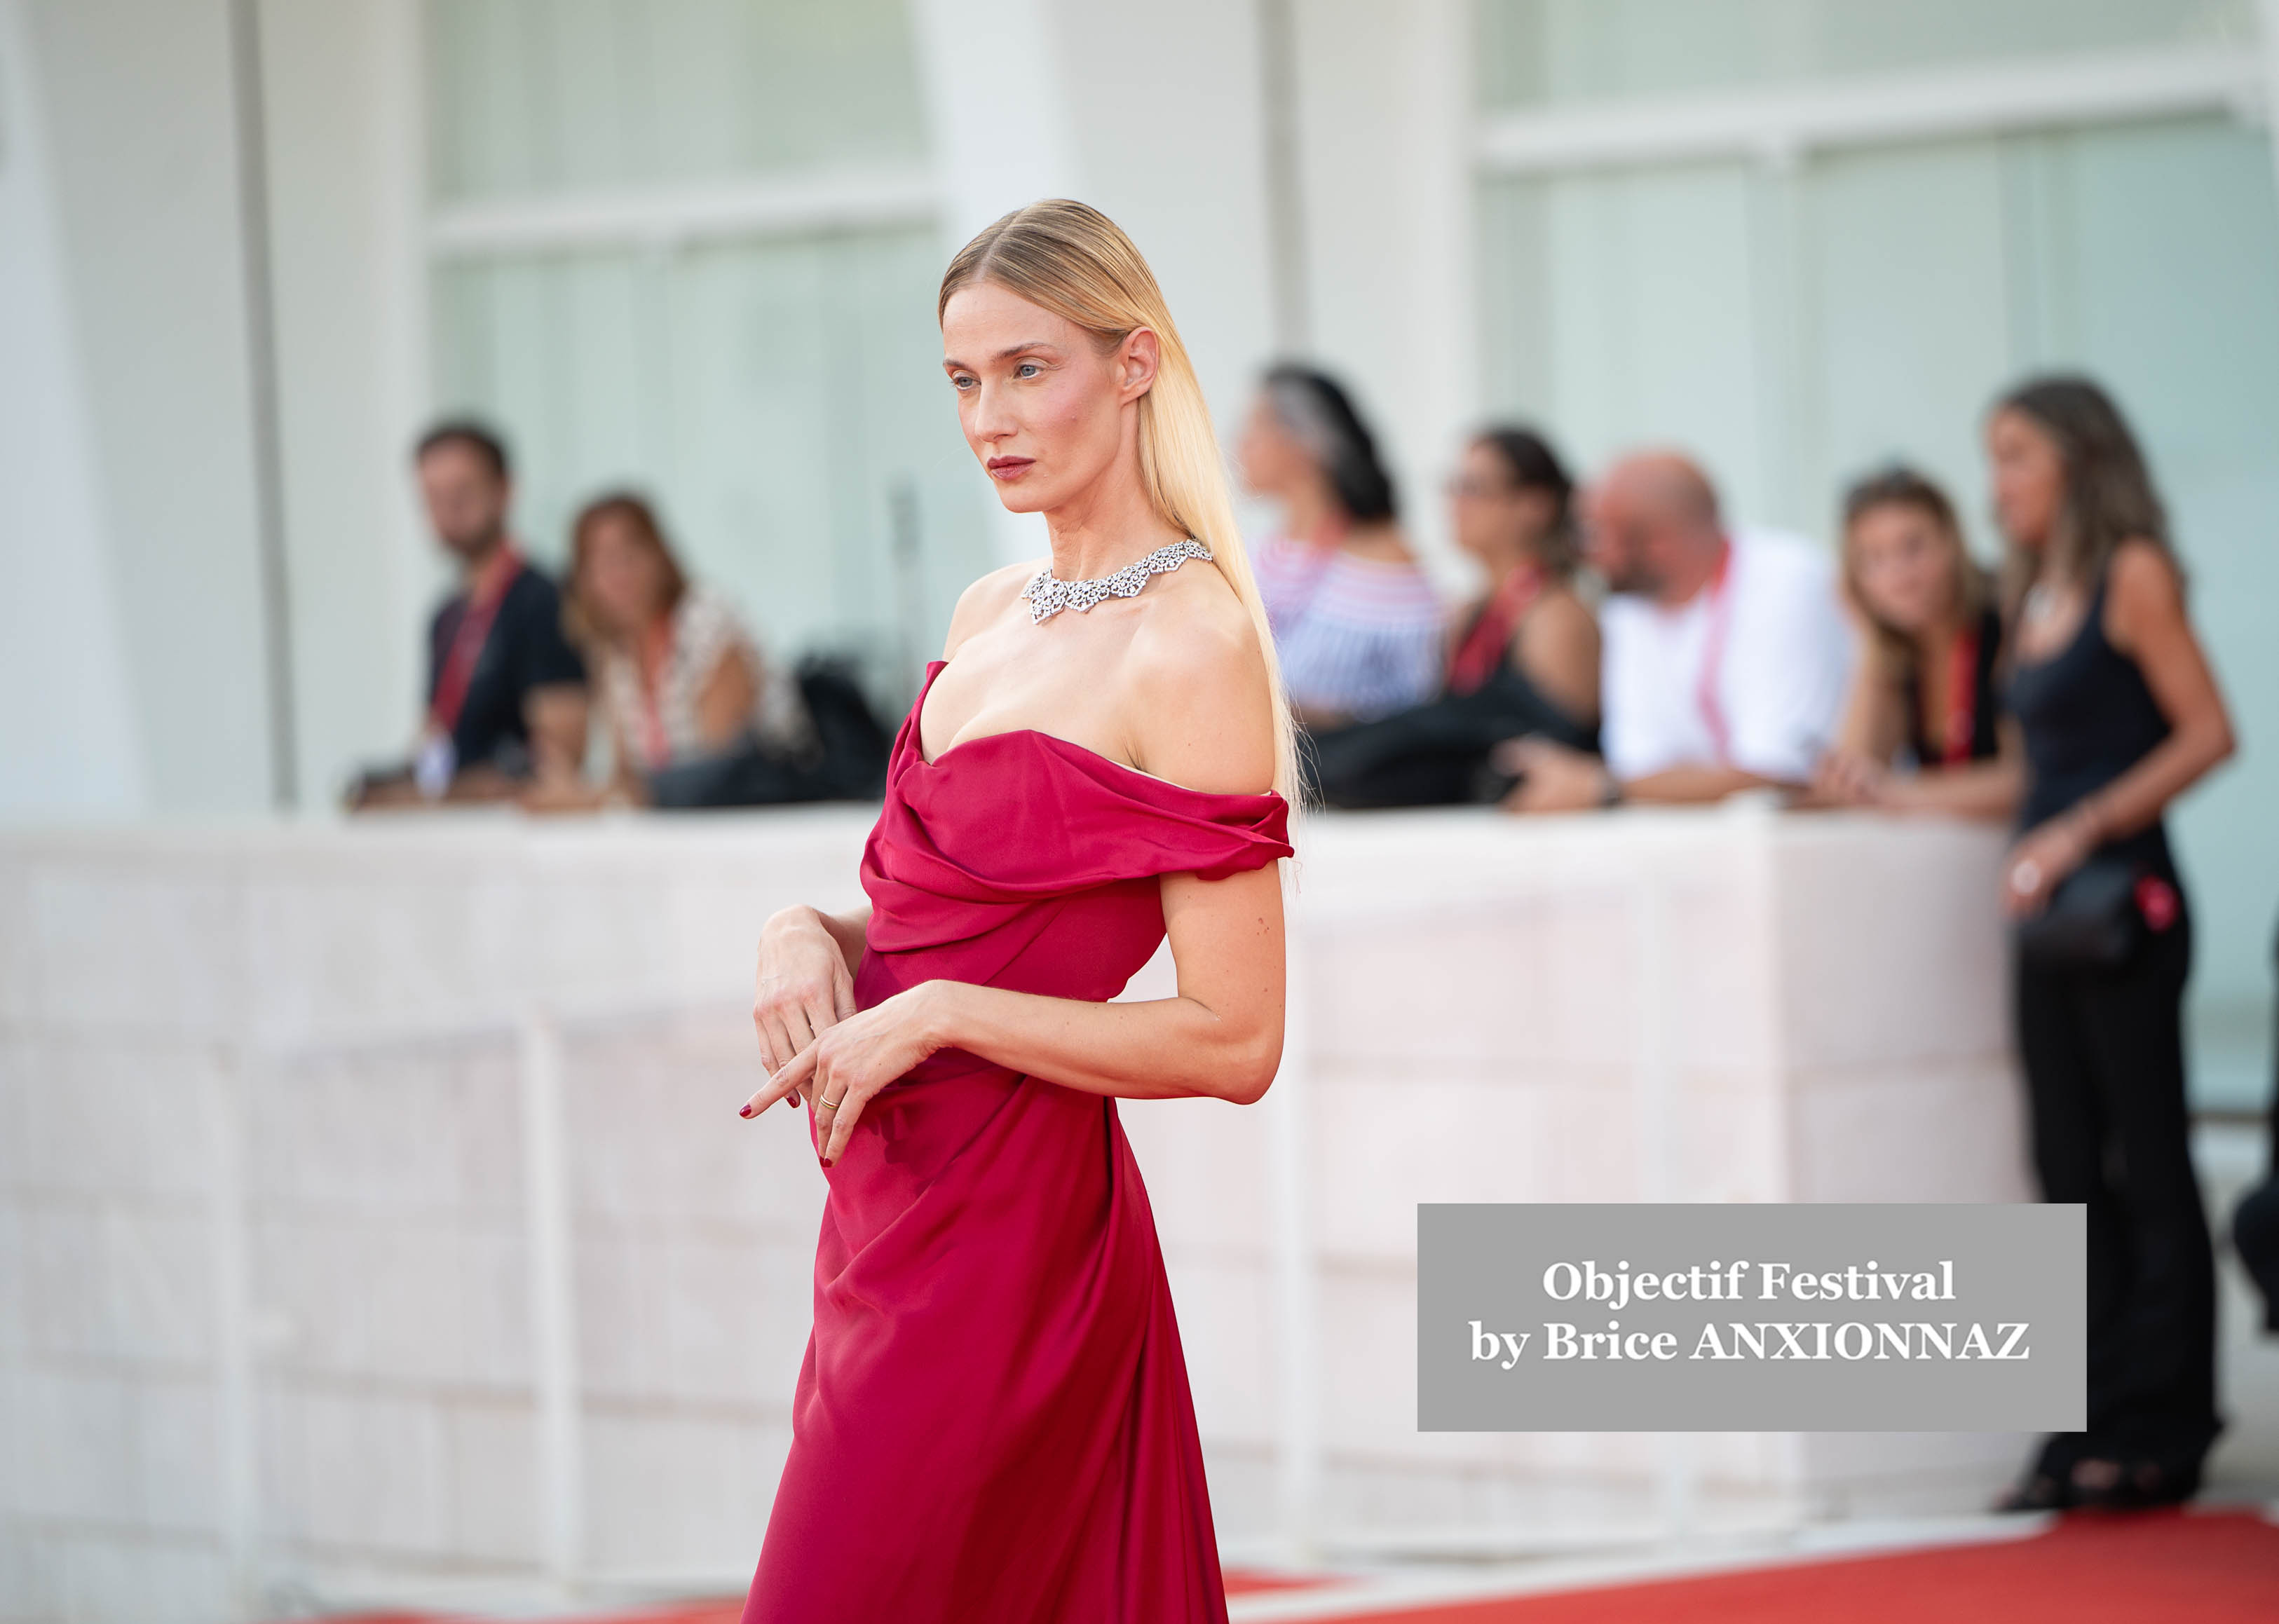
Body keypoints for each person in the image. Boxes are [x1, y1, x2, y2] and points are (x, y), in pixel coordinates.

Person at [734, 198, 1295, 1624]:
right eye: (962, 380)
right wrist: (802, 930)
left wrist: (940, 1017)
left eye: (1027, 369)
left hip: (1011, 1240)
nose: (989, 418)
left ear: (1133, 363)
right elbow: (936, 922)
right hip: (879, 1211)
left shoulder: (1192, 645)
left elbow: (1235, 1039)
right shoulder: (990, 611)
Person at [1988, 376, 2236, 1513]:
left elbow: (2208, 732)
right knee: (2062, 1166)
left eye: (2017, 456)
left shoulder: (2131, 573)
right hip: (2043, 920)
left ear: (2078, 461)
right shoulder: (2028, 590)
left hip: (2122, 905)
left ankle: (2159, 1421)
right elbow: (2018, 766)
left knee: (2146, 1159)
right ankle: (2076, 1419)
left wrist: (2080, 828)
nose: (1998, 483)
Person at [1499, 451, 1851, 810]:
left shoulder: (1785, 580)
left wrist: (1603, 787)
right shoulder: (1628, 607)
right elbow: (1642, 767)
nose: (1584, 552)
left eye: (1593, 534)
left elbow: (1778, 774)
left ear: (1660, 542)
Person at [1307, 425, 1599, 807]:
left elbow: (1560, 746)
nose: (1456, 504)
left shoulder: (1557, 620)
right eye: (1453, 488)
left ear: (1533, 507)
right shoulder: (1468, 613)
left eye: (1474, 489)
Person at [520, 491, 822, 810]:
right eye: (600, 562)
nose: (618, 574)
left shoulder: (707, 622)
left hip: (778, 810)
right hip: (686, 823)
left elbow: (716, 769)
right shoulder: (613, 653)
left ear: (660, 556)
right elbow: (627, 774)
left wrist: (595, 799)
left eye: (629, 554)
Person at [346, 421, 588, 807]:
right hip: (455, 820)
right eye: (433, 497)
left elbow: (557, 759)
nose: (449, 508)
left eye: (463, 491)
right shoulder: (445, 617)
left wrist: (435, 797)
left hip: (513, 827)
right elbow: (432, 741)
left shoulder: (543, 601)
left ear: (504, 490)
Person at [1237, 364, 1442, 728]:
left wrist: (1320, 714)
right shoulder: (1254, 552)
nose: (1240, 442)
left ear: (1306, 442)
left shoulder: (1383, 565)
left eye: (1256, 426)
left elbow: (1417, 699)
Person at [1810, 465, 2020, 817]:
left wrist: (1900, 792)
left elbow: (2026, 778)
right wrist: (1868, 636)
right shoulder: (1901, 650)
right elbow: (1853, 780)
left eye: (1913, 548)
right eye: (1873, 560)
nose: (1899, 577)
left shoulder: (2008, 623)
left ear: (1952, 542)